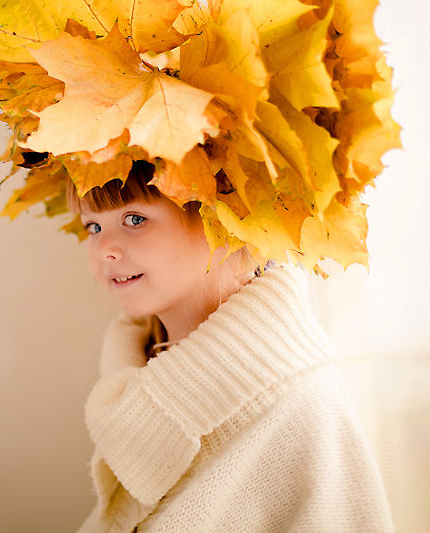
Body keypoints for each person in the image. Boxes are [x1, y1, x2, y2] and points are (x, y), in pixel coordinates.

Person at [68, 162, 395, 533]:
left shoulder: (304, 406)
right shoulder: (131, 379)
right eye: (93, 226)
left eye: (135, 219)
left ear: (229, 220)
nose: (104, 249)